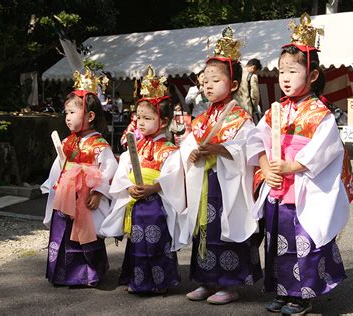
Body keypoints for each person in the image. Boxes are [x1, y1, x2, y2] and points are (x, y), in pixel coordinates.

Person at [246, 14, 353, 314]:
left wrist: (292, 166)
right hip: (278, 184)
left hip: (303, 184)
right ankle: (282, 289)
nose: (285, 78)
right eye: (281, 71)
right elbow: (256, 141)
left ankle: (302, 294)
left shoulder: (320, 113)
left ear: (313, 75)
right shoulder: (275, 110)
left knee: (303, 242)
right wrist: (266, 167)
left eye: (293, 71)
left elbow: (324, 149)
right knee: (277, 241)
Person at [179, 27, 262, 305]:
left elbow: (247, 149)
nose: (208, 85)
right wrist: (191, 154)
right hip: (205, 181)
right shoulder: (202, 118)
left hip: (227, 185)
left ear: (235, 85)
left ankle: (229, 284)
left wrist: (221, 149)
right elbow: (188, 144)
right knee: (205, 229)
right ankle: (206, 280)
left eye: (216, 80)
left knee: (225, 230)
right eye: (205, 80)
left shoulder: (240, 117)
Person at [100, 66, 185, 294]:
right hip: (137, 199)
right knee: (137, 242)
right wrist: (128, 186)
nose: (140, 122)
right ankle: (137, 279)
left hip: (157, 202)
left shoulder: (169, 150)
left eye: (148, 118)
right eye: (138, 117)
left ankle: (159, 281)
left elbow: (174, 177)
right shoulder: (134, 147)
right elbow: (122, 171)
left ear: (164, 121)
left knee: (157, 242)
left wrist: (154, 187)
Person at [40, 68, 118, 287]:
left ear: (90, 116)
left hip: (84, 198)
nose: (67, 118)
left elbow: (109, 169)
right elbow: (59, 167)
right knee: (64, 233)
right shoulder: (68, 142)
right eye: (66, 113)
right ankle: (62, 273)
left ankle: (90, 273)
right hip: (66, 196)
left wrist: (98, 192)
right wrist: (54, 186)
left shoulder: (99, 144)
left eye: (72, 113)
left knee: (85, 233)